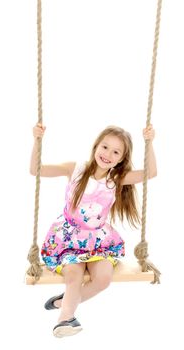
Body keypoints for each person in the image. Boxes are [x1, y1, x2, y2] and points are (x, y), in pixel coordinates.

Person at [30, 123, 157, 338]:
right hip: (69, 238)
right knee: (74, 275)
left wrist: (150, 142)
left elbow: (150, 173)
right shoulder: (75, 169)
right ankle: (64, 319)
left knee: (103, 279)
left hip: (99, 239)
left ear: (121, 159)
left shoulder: (116, 179)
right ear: (96, 145)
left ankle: (63, 302)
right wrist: (36, 140)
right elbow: (36, 170)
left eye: (116, 152)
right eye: (105, 147)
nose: (108, 154)